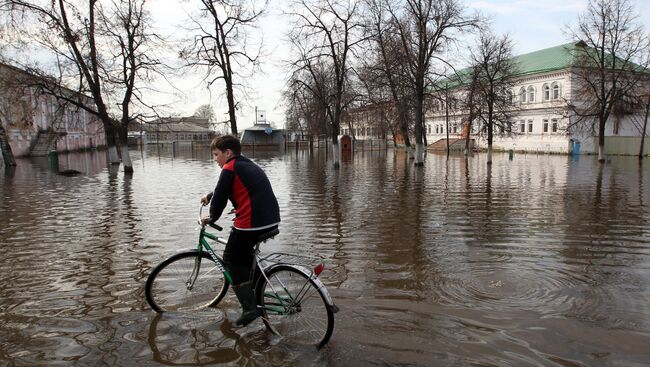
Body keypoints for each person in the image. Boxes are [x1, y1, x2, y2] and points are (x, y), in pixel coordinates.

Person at [200, 135, 280, 327]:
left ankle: (250, 309)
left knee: (230, 258)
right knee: (245, 257)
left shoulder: (229, 167)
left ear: (228, 153)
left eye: (216, 154)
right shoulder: (244, 163)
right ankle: (259, 290)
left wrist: (211, 218)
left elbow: (220, 198)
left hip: (253, 222)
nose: (215, 159)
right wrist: (210, 195)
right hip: (270, 219)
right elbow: (225, 188)